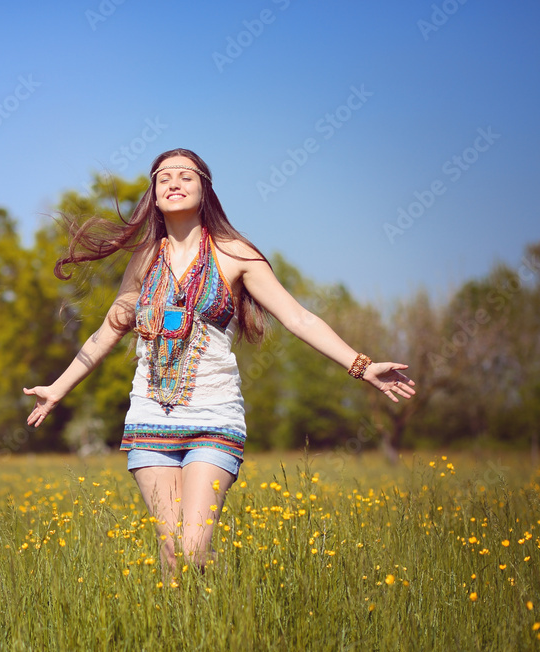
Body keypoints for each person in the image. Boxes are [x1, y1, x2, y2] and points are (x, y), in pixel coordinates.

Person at [23, 148, 416, 580]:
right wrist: (57, 389)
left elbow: (298, 317)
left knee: (193, 550)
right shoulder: (143, 262)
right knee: (172, 552)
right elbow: (105, 333)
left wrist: (363, 365)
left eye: (185, 176)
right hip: (150, 418)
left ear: (204, 188)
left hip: (214, 417)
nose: (174, 182)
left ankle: (206, 627)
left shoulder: (235, 254)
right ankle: (177, 640)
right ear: (154, 195)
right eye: (164, 177)